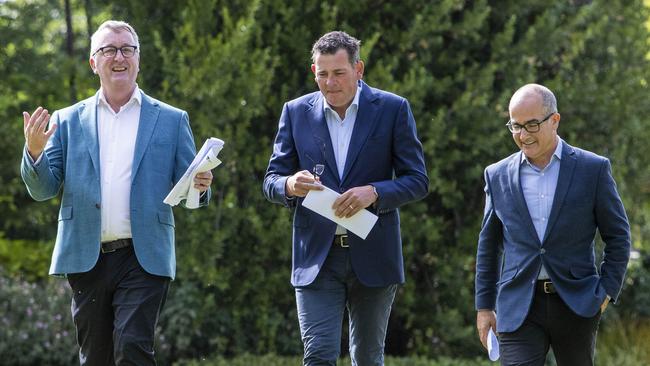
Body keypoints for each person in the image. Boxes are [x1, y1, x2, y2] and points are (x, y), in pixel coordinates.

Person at [21, 20, 213, 365]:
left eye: (127, 49)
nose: (119, 56)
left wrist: (200, 186)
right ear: (94, 62)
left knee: (133, 348)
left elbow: (192, 190)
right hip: (86, 255)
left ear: (138, 59)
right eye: (108, 50)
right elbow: (42, 190)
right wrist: (34, 153)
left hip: (144, 256)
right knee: (95, 357)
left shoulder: (172, 119)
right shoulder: (67, 120)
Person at [263, 31, 428, 365]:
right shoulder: (295, 112)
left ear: (359, 69)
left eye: (338, 73)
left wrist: (376, 192)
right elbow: (271, 181)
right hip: (316, 259)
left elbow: (418, 180)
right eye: (322, 74)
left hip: (374, 251)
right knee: (319, 355)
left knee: (367, 358)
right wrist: (290, 184)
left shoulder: (392, 109)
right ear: (313, 72)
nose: (330, 82)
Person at [474, 83, 631, 365]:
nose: (523, 135)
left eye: (532, 125)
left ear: (554, 120)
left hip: (576, 303)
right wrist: (484, 307)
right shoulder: (496, 175)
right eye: (515, 126)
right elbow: (489, 245)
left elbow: (618, 236)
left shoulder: (592, 169)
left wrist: (606, 290)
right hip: (519, 306)